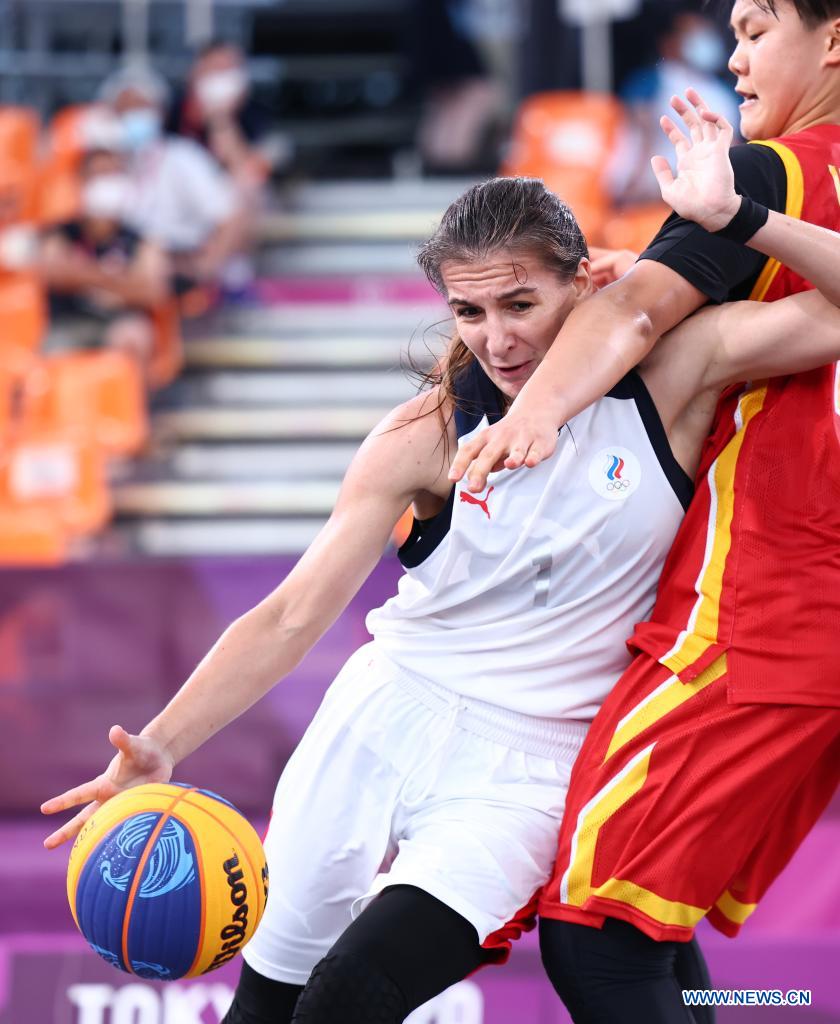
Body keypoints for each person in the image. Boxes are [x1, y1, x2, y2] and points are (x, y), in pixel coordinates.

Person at [40, 125, 840, 1022]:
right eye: (469, 312)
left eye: (520, 304)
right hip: (382, 718)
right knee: (266, 1010)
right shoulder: (419, 434)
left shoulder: (671, 377)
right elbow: (292, 614)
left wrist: (746, 219)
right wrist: (163, 743)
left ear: (586, 281)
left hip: (532, 769)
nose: (496, 339)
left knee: (348, 1000)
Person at [444, 0, 840, 1018]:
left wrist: (530, 412)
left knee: (596, 933)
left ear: (832, 41)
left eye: (754, 29)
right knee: (643, 921)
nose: (736, 58)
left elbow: (629, 314)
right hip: (799, 624)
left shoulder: (769, 173)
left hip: (756, 612)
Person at [98, 65, 250, 291]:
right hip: (125, 271)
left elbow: (229, 217)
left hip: (177, 269)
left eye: (140, 107)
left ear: (159, 111)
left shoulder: (183, 157)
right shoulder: (102, 165)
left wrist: (205, 269)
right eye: (124, 108)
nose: (131, 115)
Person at [40, 146, 170, 366]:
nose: (105, 184)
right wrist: (118, 280)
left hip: (119, 322)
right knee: (50, 351)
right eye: (98, 176)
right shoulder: (61, 233)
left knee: (132, 338)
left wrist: (82, 275)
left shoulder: (140, 238)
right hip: (70, 323)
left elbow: (153, 290)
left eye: (112, 175)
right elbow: (50, 273)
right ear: (81, 181)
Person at [608, 11, 741, 206]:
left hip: (709, 186)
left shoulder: (722, 90)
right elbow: (642, 133)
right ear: (669, 43)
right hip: (653, 186)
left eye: (703, 33)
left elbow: (733, 141)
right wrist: (634, 187)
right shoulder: (651, 81)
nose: (701, 41)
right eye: (691, 34)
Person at [168, 40, 283, 198]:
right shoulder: (170, 114)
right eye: (217, 69)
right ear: (195, 74)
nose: (225, 78)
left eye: (231, 70)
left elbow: (250, 178)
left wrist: (222, 121)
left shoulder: (256, 117)